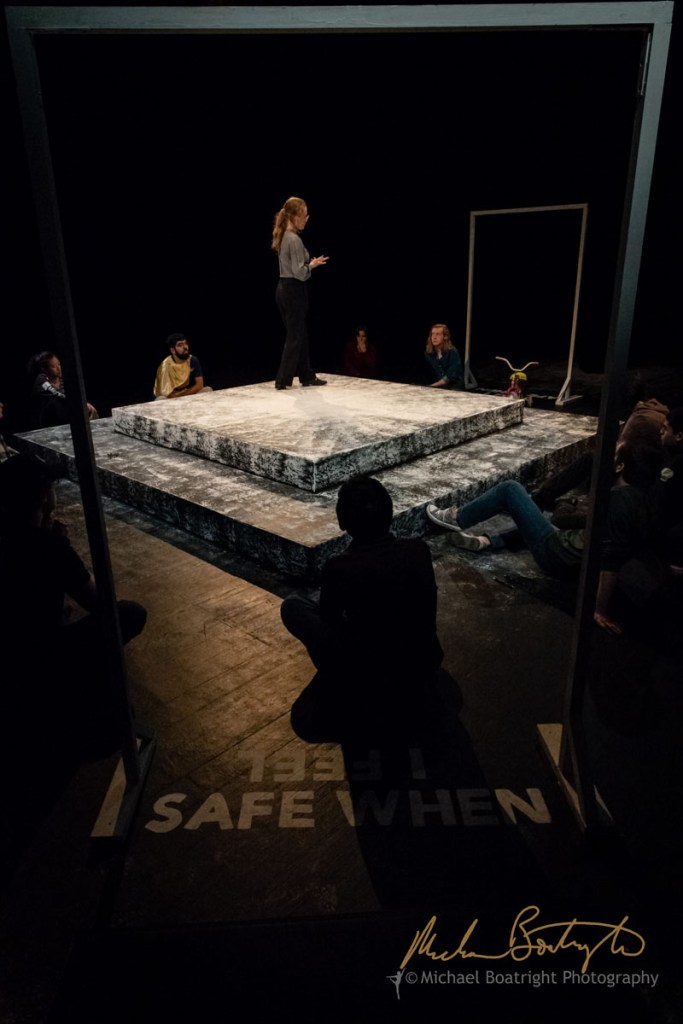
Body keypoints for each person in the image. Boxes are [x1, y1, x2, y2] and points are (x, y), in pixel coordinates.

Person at [427, 442, 662, 634]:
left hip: (557, 554)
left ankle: (456, 518)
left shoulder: (619, 502)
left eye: (615, 453)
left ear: (620, 466)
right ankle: (489, 541)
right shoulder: (644, 500)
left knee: (510, 489)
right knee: (537, 519)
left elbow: (611, 559)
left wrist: (598, 608)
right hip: (573, 555)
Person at [0, 454, 147, 758]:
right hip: (38, 658)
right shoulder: (48, 547)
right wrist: (60, 548)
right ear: (44, 497)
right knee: (129, 614)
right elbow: (100, 602)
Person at [281, 476, 444, 743]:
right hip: (422, 662)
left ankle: (348, 685)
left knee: (293, 606)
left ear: (342, 521)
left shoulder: (339, 567)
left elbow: (330, 621)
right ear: (389, 512)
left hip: (369, 672)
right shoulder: (418, 550)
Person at [272, 196, 329, 390]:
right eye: (304, 215)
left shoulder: (283, 235)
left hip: (283, 288)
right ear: (295, 216)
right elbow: (299, 273)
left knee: (299, 334)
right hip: (293, 290)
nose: (306, 219)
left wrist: (309, 264)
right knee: (295, 336)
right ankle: (282, 379)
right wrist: (311, 266)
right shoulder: (293, 239)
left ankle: (306, 374)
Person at [27, 351, 98, 428]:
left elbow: (72, 393)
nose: (59, 368)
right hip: (47, 419)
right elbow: (55, 394)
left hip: (63, 416)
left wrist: (84, 404)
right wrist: (79, 403)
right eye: (54, 367)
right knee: (54, 402)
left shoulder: (61, 378)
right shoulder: (41, 379)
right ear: (44, 369)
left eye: (59, 364)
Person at [153, 333, 208, 399]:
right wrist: (177, 398)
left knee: (207, 389)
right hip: (172, 399)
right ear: (173, 350)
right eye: (180, 345)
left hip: (190, 394)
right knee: (161, 398)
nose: (185, 347)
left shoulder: (193, 360)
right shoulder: (165, 366)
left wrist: (181, 395)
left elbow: (199, 385)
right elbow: (164, 393)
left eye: (185, 343)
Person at [424, 323, 464, 390]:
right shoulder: (428, 353)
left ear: (445, 337)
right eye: (432, 334)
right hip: (438, 386)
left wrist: (431, 386)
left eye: (438, 334)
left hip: (454, 386)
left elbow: (449, 376)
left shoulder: (452, 352)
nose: (434, 337)